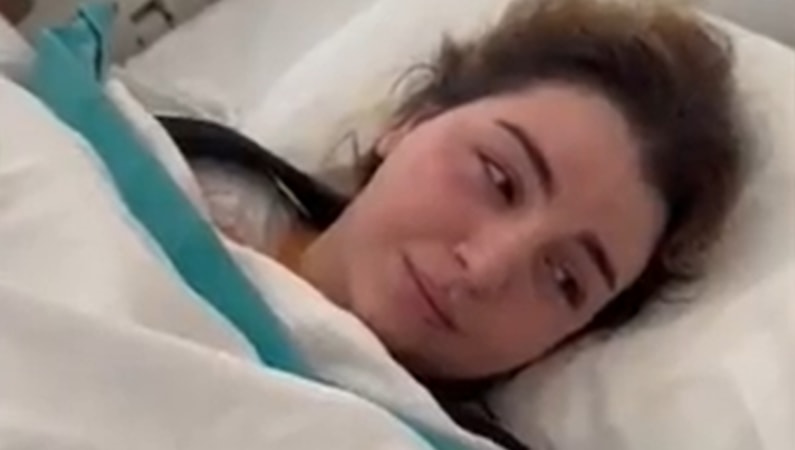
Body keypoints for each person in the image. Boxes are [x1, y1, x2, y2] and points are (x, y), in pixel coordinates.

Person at [163, 0, 747, 448]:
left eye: (564, 279)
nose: (486, 268)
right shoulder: (160, 163)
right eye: (499, 179)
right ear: (411, 123)